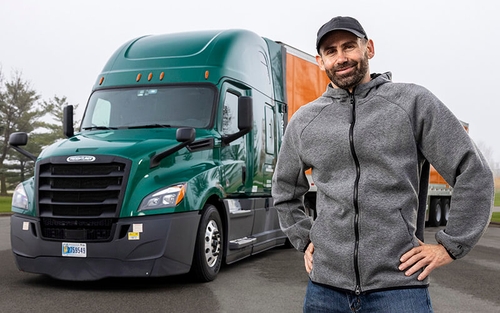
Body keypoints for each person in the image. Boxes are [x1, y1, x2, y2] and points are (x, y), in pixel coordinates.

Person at [271, 16, 494, 313]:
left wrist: (449, 246)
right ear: (320, 61)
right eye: (331, 51)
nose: (342, 57)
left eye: (349, 46)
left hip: (398, 288)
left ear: (369, 48)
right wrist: (304, 238)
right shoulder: (305, 121)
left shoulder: (412, 103)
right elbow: (285, 188)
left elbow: (473, 172)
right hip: (325, 290)